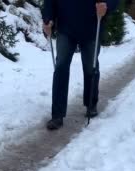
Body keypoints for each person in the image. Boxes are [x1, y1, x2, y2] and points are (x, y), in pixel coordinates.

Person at [42, 0, 119, 130]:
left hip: (91, 27)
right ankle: (57, 114)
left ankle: (91, 104)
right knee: (60, 67)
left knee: (90, 67)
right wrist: (47, 19)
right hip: (66, 28)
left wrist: (107, 6)